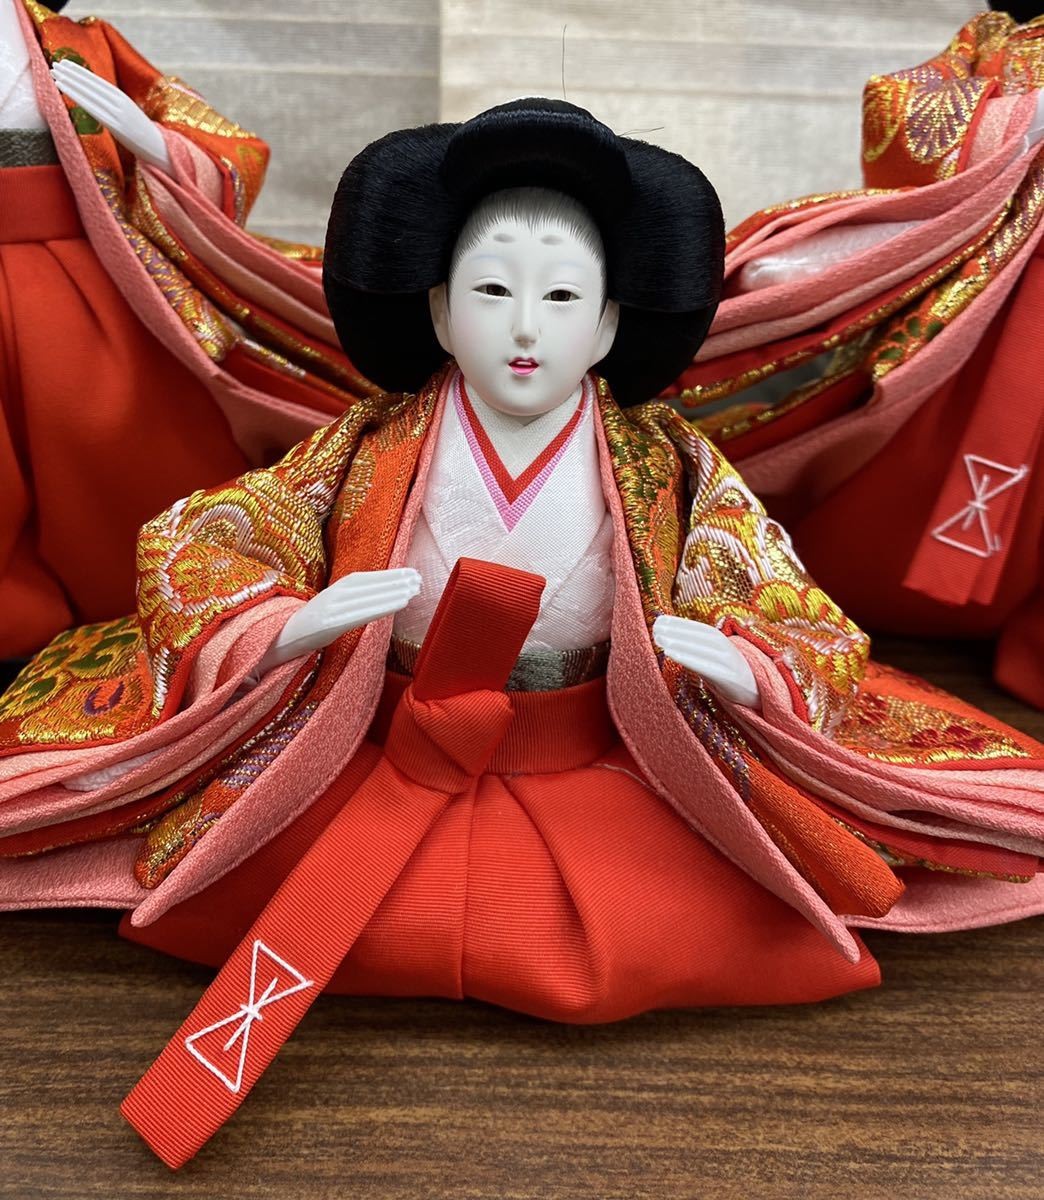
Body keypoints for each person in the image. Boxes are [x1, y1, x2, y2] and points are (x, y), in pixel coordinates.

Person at [0, 99, 1041, 1167]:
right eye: (493, 292)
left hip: (595, 752)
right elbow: (215, 535)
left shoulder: (661, 464)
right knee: (228, 884)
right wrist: (276, 622)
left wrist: (753, 663)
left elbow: (768, 579)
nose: (528, 328)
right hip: (380, 744)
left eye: (562, 297)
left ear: (608, 325)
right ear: (442, 313)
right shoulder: (370, 445)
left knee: (681, 927)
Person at [669, 10, 1044, 708]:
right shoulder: (997, 39)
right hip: (984, 270)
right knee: (883, 406)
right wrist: (1023, 122)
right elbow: (900, 111)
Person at [0, 0, 371, 660]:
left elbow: (227, 146)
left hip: (73, 278)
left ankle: (140, 609)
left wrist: (147, 138)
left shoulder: (77, 41)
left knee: (109, 430)